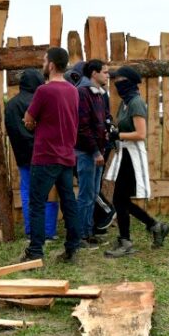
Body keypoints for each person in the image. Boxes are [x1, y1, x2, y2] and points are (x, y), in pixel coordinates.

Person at [19, 47, 82, 263]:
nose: (43, 64)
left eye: (45, 60)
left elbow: (28, 118)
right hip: (66, 155)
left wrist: (32, 124)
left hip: (45, 156)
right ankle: (72, 249)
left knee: (37, 203)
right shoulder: (73, 90)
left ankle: (35, 251)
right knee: (68, 201)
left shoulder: (44, 91)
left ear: (52, 65)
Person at [101, 66, 169, 257]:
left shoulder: (136, 103)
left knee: (119, 199)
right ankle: (154, 226)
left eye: (120, 80)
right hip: (124, 154)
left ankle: (128, 241)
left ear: (130, 81)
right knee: (121, 200)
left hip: (132, 156)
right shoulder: (125, 103)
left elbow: (141, 134)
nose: (116, 83)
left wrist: (118, 134)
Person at [4, 68, 59, 240]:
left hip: (22, 156)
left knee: (28, 193)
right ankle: (48, 231)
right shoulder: (40, 101)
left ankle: (31, 231)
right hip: (44, 154)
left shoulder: (11, 105)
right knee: (48, 192)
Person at [74, 60, 113, 247]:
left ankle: (89, 233)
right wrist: (96, 151)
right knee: (86, 195)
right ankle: (81, 236)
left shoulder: (98, 94)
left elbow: (102, 121)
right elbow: (83, 127)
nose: (107, 75)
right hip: (87, 152)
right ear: (94, 74)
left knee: (93, 194)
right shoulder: (83, 93)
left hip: (97, 152)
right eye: (104, 72)